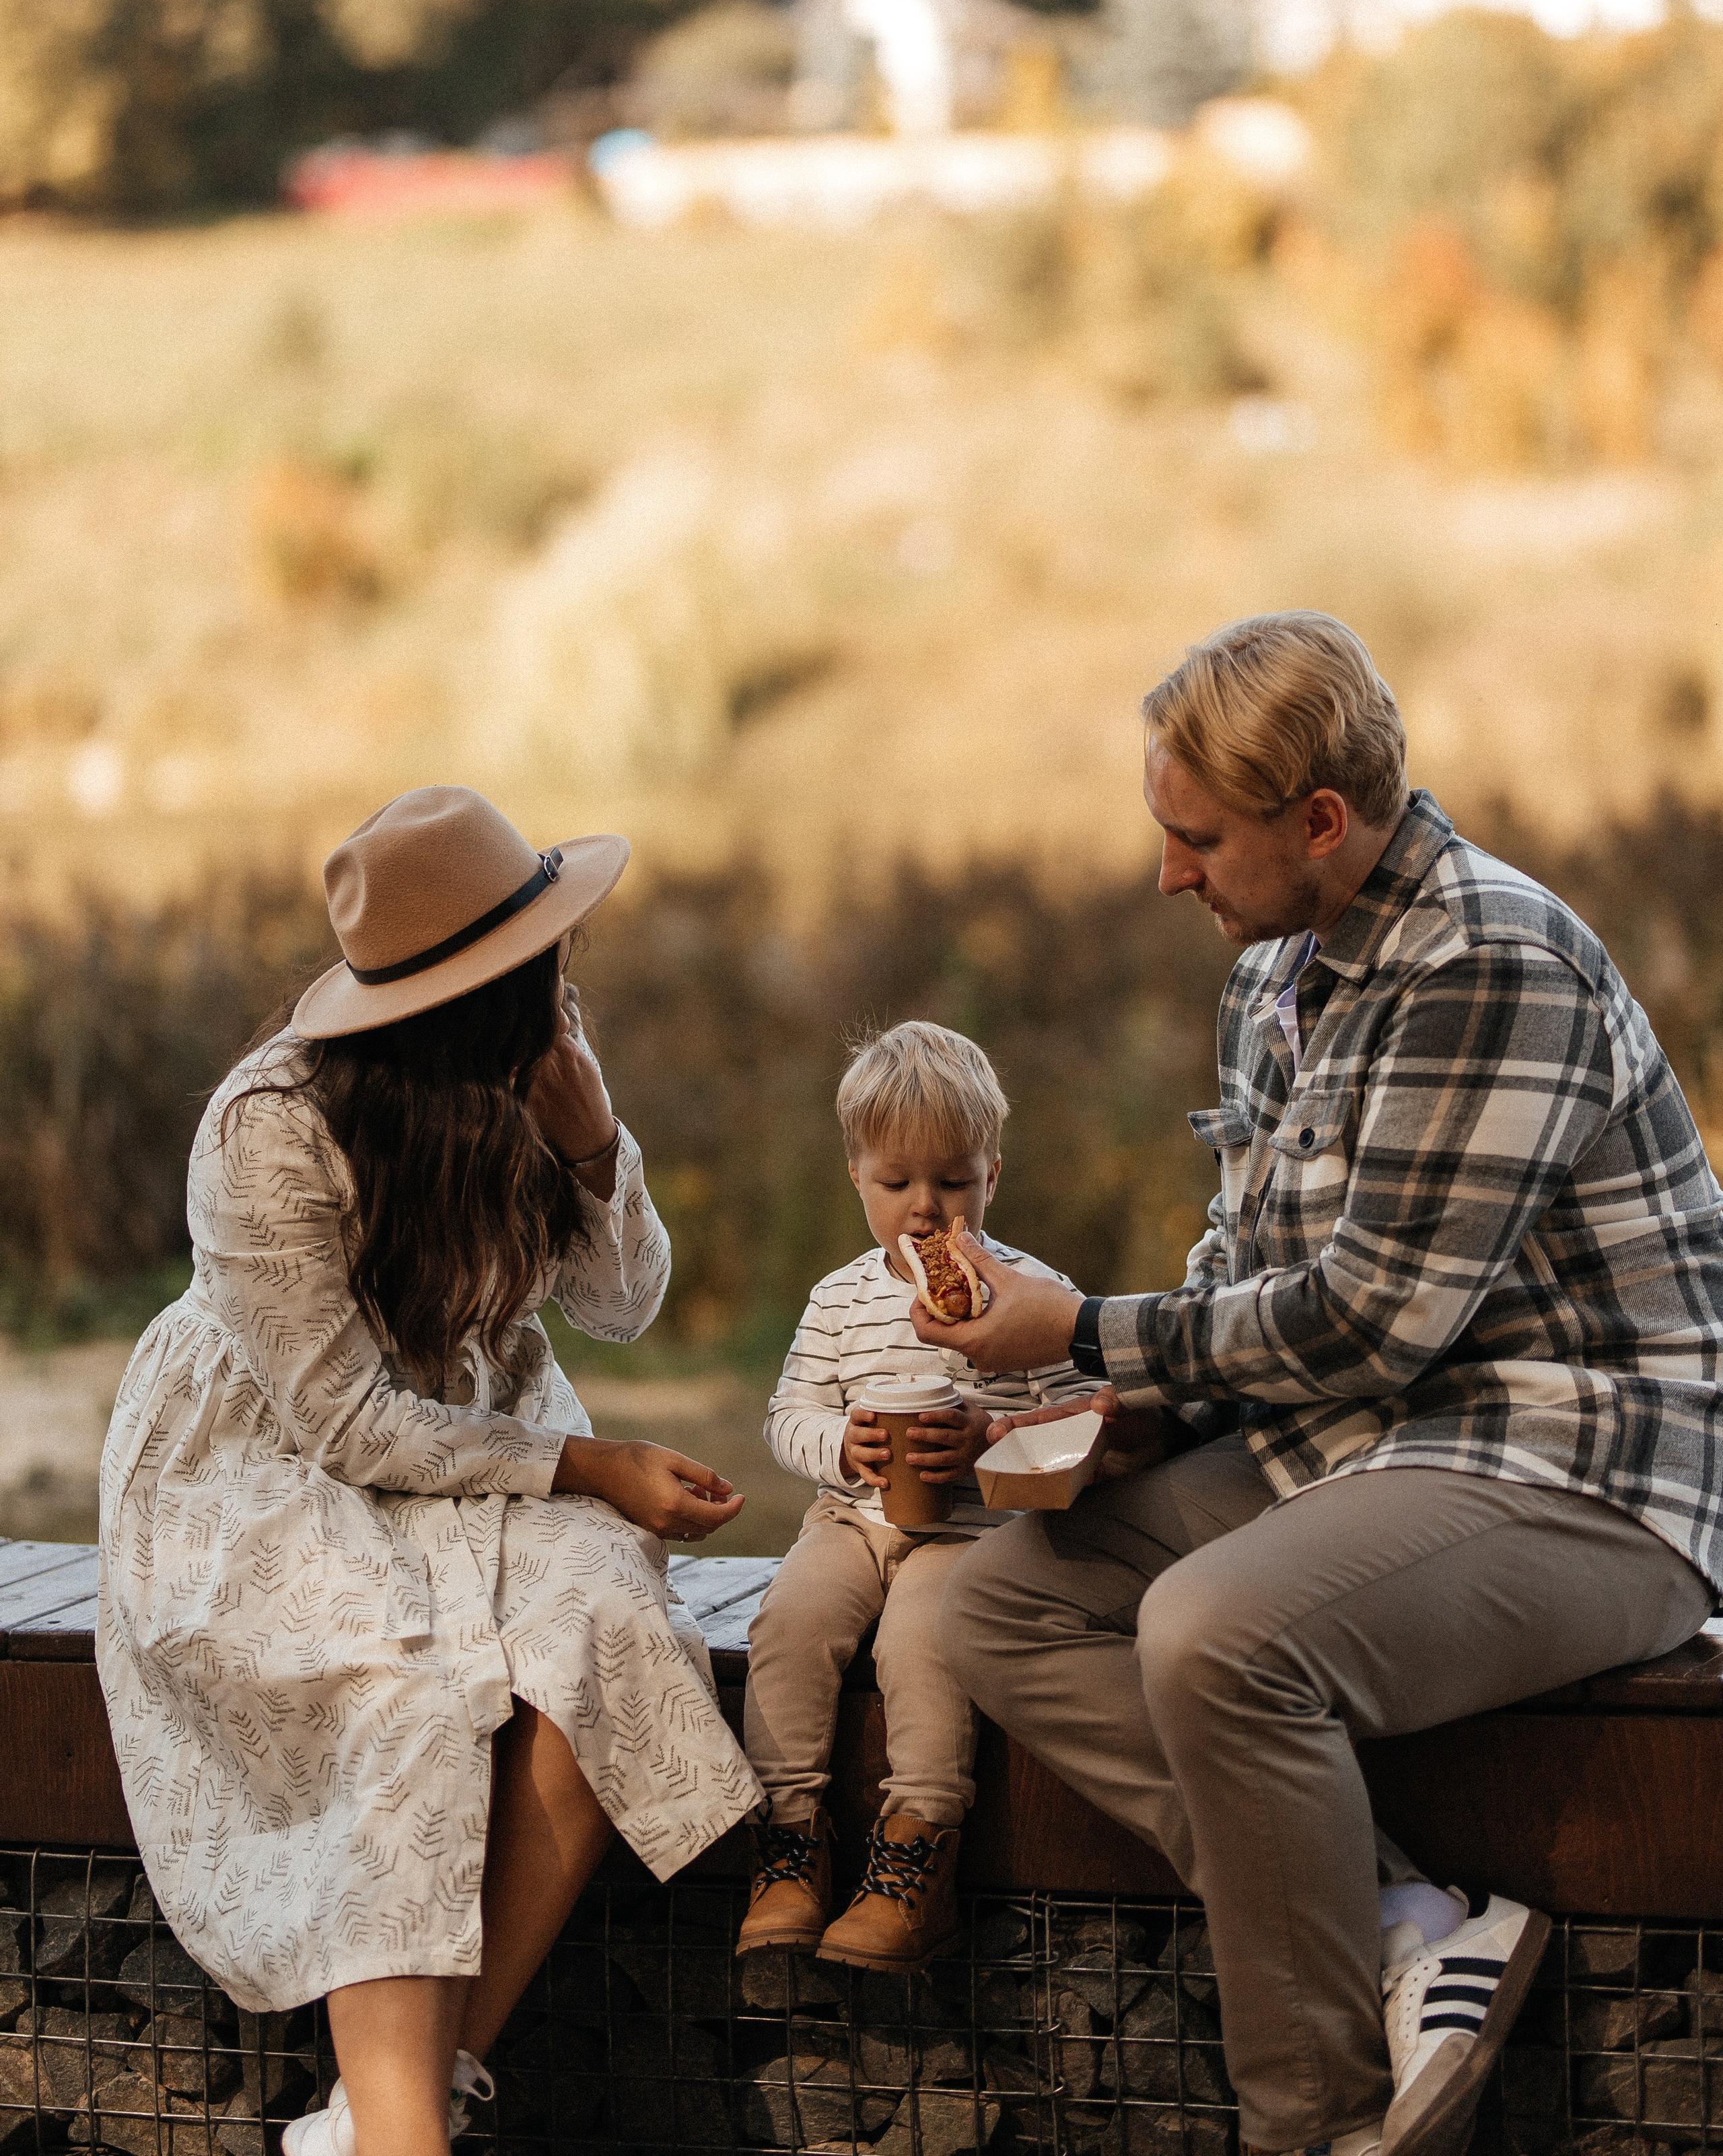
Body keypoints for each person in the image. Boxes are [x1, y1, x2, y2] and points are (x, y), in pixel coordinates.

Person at [911, 613, 1723, 2156]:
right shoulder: (1274, 974)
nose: (1166, 874)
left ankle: (1315, 2124)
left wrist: (1081, 1334)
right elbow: (1247, 1270)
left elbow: (1367, 1325)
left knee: (1217, 1632)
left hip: (1588, 1466)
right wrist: (1130, 1411)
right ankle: (1410, 1924)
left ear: (1322, 822)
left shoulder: (1485, 960)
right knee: (1001, 1606)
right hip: (1371, 1447)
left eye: (1196, 838)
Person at [98, 786, 764, 2156]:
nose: (560, 981)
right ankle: (403, 2131)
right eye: (535, 963)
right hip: (268, 1464)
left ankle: (400, 2110)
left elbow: (624, 1301)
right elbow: (347, 1424)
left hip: (470, 1438)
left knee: (608, 1615)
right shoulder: (266, 1127)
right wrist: (586, 1462)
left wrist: (592, 1138)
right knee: (397, 1693)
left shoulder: (538, 1061)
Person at [734, 1021, 1100, 1970]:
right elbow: (788, 1414)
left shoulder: (1034, 1295)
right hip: (850, 1517)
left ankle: (915, 1853)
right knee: (789, 1623)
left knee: (922, 1643)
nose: (926, 1207)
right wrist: (841, 1447)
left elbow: (1077, 1428)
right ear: (857, 1177)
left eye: (954, 1181)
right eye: (897, 1182)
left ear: (993, 1177)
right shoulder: (839, 1299)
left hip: (971, 1532)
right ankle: (788, 1841)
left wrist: (989, 1443)